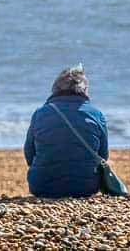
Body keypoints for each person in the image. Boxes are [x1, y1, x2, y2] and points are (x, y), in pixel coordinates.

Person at [24, 64, 108, 197]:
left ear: (55, 89)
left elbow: (29, 152)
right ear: (85, 90)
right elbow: (103, 155)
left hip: (42, 185)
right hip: (86, 186)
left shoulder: (40, 113)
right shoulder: (97, 114)